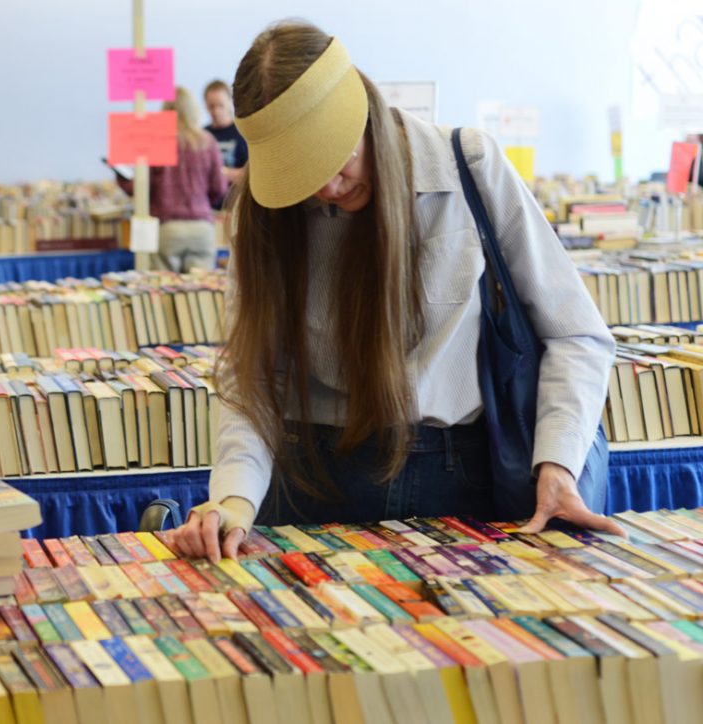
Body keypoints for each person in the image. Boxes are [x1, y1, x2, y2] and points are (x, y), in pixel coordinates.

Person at [171, 20, 622, 563]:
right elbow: (254, 378)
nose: (325, 189)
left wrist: (558, 466)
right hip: (311, 485)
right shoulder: (264, 214)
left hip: (467, 481)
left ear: (365, 114)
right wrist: (234, 500)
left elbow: (574, 333)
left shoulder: (469, 168)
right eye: (301, 175)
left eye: (335, 161)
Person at [117, 86, 227, 272]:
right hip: (202, 228)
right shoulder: (207, 141)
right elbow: (219, 188)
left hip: (168, 227)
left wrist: (120, 173)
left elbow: (142, 188)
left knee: (165, 292)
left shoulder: (159, 141)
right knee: (197, 296)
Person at [203, 80, 249, 185]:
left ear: (230, 102)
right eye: (211, 106)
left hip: (236, 197)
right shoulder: (202, 135)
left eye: (220, 105)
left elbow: (253, 173)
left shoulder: (243, 133)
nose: (216, 111)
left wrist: (225, 173)